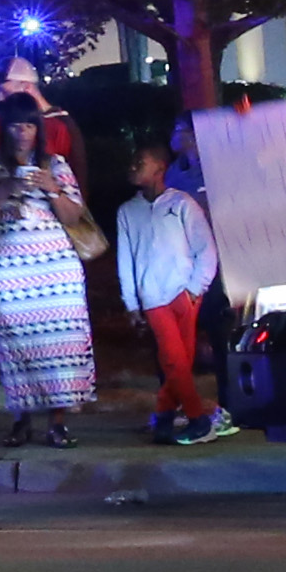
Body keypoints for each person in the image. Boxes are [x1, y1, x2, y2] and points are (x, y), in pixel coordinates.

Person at [0, 95, 100, 449]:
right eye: (14, 124)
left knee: (58, 348)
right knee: (15, 346)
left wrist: (52, 189)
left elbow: (74, 216)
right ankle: (21, 420)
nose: (21, 132)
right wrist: (1, 193)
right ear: (3, 128)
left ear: (37, 128)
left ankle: (57, 421)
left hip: (55, 269)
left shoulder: (55, 165)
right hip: (9, 271)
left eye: (28, 124)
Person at [111, 136, 226, 446]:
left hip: (184, 293)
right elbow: (126, 260)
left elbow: (206, 248)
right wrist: (132, 302)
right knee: (174, 360)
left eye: (141, 163)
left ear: (160, 168)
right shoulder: (127, 212)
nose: (133, 168)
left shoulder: (181, 204)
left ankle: (164, 417)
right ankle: (198, 419)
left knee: (177, 362)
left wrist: (194, 287)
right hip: (153, 298)